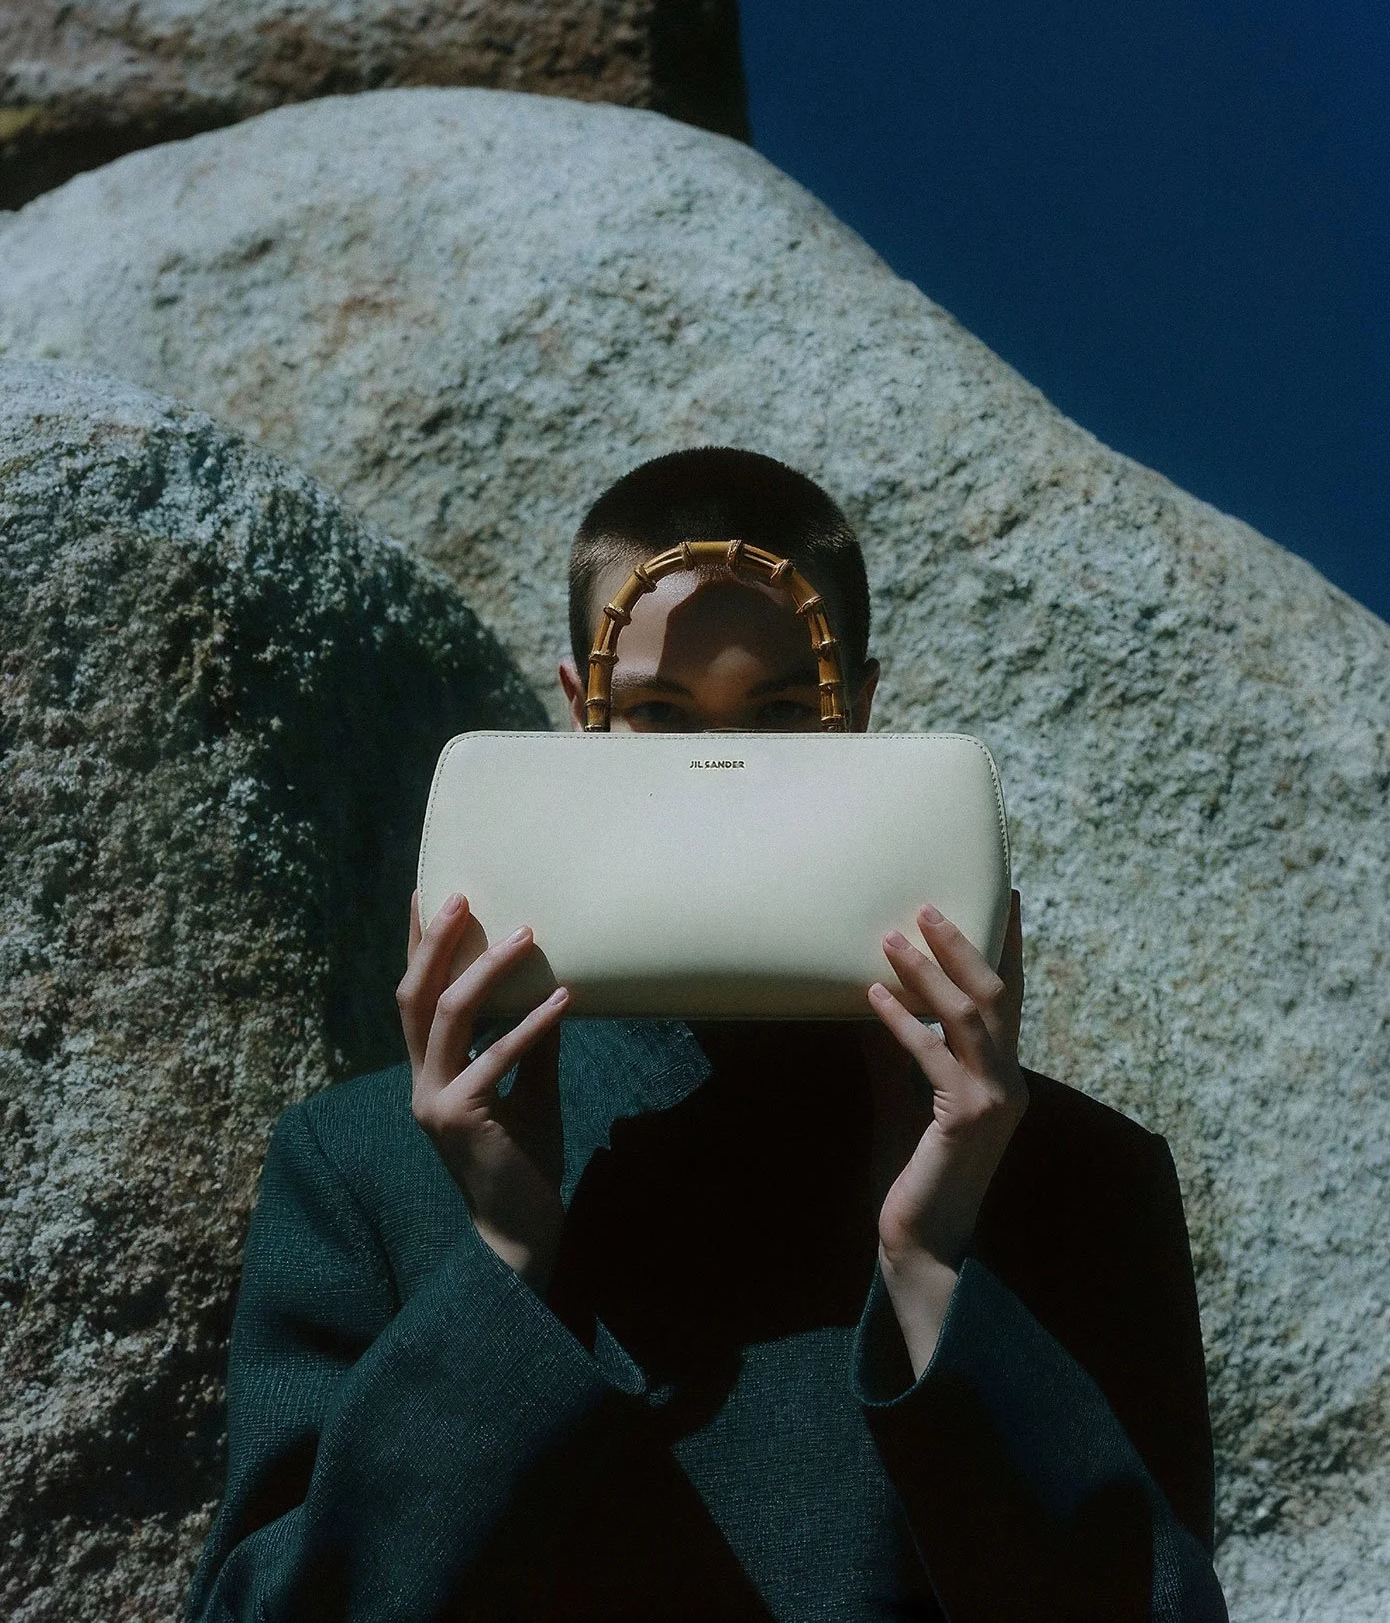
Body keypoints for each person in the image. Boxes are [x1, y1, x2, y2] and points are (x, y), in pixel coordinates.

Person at [188, 448, 1228, 1622]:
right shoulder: (365, 1165)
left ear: (862, 713)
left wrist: (934, 1270)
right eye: (657, 713)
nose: (718, 771)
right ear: (580, 713)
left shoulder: (1076, 1179)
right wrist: (500, 1268)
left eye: (785, 710)